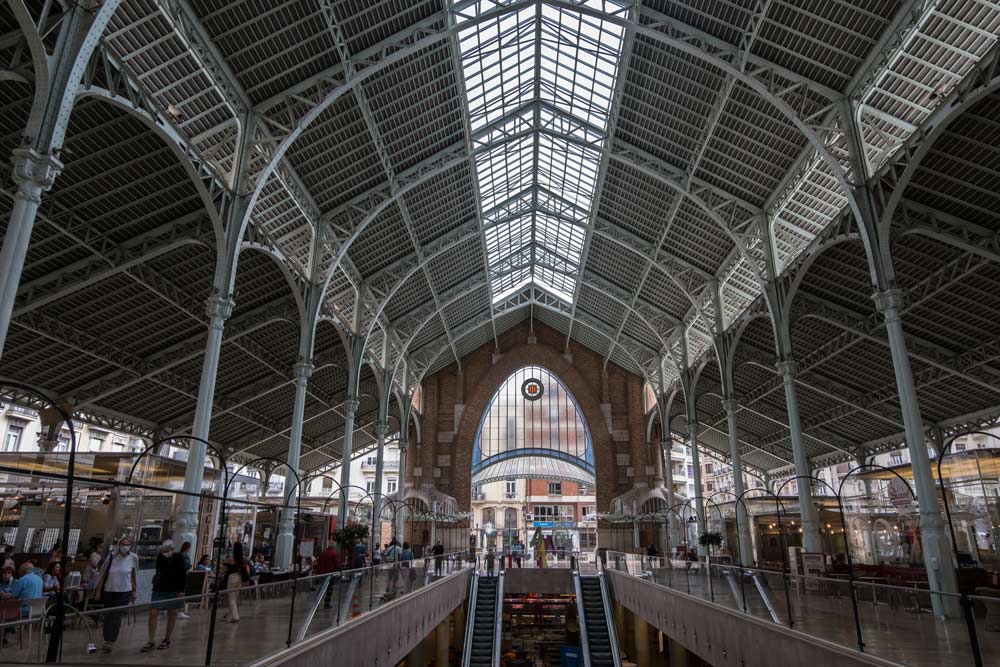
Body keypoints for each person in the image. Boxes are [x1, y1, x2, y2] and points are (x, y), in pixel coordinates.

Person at [94, 538, 137, 653]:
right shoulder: (111, 557)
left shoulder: (133, 558)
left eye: (128, 544)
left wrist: (134, 590)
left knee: (116, 616)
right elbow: (103, 574)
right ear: (119, 545)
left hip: (124, 591)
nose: (126, 546)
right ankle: (106, 638)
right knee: (108, 615)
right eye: (123, 544)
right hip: (109, 590)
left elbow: (134, 575)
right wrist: (98, 591)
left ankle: (110, 641)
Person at [143, 540, 186, 651]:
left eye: (168, 550)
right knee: (153, 612)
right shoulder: (160, 557)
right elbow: (159, 571)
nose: (166, 552)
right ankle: (151, 640)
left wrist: (181, 590)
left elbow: (182, 573)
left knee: (171, 613)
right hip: (160, 588)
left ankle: (167, 639)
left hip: (174, 589)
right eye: (164, 550)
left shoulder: (178, 557)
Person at [223, 543, 249, 623]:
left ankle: (235, 616)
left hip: (232, 578)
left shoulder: (230, 559)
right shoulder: (244, 559)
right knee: (235, 598)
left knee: (231, 598)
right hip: (239, 578)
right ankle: (229, 617)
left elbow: (224, 569)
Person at [315, 541, 340, 609]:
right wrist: (337, 572)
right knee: (329, 589)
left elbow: (319, 563)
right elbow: (336, 564)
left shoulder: (323, 553)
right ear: (333, 547)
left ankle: (317, 602)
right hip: (330, 574)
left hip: (322, 573)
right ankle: (327, 603)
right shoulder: (334, 553)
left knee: (322, 588)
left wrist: (318, 572)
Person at [177, 541, 192, 620]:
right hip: (180, 576)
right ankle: (180, 611)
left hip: (184, 576)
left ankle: (180, 610)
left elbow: (189, 565)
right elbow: (186, 565)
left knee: (181, 592)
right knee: (180, 593)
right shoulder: (181, 556)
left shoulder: (186, 556)